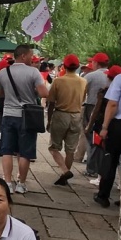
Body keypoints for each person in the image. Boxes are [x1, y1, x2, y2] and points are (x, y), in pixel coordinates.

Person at [0, 45, 49, 194]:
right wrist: (32, 92)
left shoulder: (3, 72)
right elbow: (44, 93)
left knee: (6, 150)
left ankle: (7, 183)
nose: (32, 58)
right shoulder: (33, 72)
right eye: (31, 55)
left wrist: (10, 94)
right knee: (25, 152)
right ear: (23, 55)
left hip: (8, 115)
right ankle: (21, 184)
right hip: (27, 117)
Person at [94, 48, 121, 207]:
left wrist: (105, 126)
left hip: (120, 124)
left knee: (111, 159)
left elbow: (112, 104)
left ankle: (103, 195)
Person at [46, 54, 87, 186]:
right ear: (77, 66)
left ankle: (65, 171)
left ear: (64, 66)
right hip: (76, 115)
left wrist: (49, 120)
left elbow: (51, 102)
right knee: (70, 150)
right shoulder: (83, 81)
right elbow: (83, 99)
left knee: (54, 147)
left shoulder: (58, 81)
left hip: (61, 114)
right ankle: (65, 176)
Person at [78, 52, 110, 177]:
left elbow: (81, 91)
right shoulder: (112, 76)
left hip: (91, 106)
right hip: (107, 109)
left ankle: (91, 168)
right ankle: (100, 167)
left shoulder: (91, 76)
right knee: (101, 139)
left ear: (96, 63)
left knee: (90, 137)